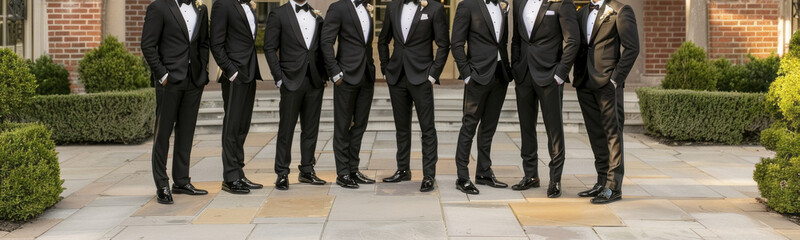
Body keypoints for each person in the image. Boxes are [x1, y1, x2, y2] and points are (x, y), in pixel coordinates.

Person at [141, 0, 210, 204]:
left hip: (193, 79)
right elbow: (147, 44)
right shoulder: (159, 7)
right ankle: (162, 183)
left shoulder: (201, 8)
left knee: (186, 132)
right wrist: (162, 75)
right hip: (169, 81)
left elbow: (203, 43)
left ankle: (181, 181)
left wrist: (203, 71)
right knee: (163, 134)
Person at [377, 0, 450, 192]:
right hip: (397, 76)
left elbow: (443, 44)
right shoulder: (392, 7)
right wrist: (385, 68)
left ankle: (428, 175)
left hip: (422, 76)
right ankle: (403, 169)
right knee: (401, 128)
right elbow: (383, 39)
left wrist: (433, 74)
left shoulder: (435, 8)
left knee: (427, 128)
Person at [509, 0, 579, 199]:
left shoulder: (562, 3)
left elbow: (572, 40)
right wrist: (516, 66)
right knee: (526, 127)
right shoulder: (519, 2)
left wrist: (560, 73)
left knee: (553, 130)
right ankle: (530, 175)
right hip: (524, 75)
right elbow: (517, 38)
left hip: (550, 76)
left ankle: (555, 179)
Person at [573, 0, 639, 204]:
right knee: (595, 133)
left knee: (612, 134)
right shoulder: (582, 11)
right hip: (584, 81)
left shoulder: (620, 10)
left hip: (608, 84)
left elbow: (632, 48)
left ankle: (613, 186)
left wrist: (615, 79)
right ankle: (601, 181)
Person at [263, 0, 329, 191]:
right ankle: (282, 173)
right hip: (290, 80)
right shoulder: (278, 14)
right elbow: (269, 47)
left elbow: (321, 48)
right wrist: (279, 77)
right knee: (286, 129)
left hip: (314, 81)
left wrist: (323, 75)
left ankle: (307, 170)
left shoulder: (316, 15)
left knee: (311, 129)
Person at [451, 0, 513, 195]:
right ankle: (462, 176)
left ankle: (484, 172)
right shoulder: (467, 6)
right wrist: (467, 74)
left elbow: (500, 42)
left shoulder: (503, 6)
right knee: (469, 126)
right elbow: (456, 43)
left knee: (489, 127)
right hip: (477, 75)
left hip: (499, 75)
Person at [321, 0, 378, 189]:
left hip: (366, 75)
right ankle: (343, 173)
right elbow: (326, 41)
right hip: (345, 76)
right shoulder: (338, 8)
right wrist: (334, 72)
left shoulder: (367, 8)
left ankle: (354, 169)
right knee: (343, 126)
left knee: (360, 125)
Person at [210, 0, 264, 194]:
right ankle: (230, 177)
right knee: (232, 126)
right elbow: (216, 43)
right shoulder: (222, 4)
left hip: (249, 72)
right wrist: (231, 72)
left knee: (242, 125)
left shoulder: (249, 5)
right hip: (234, 75)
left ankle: (239, 172)